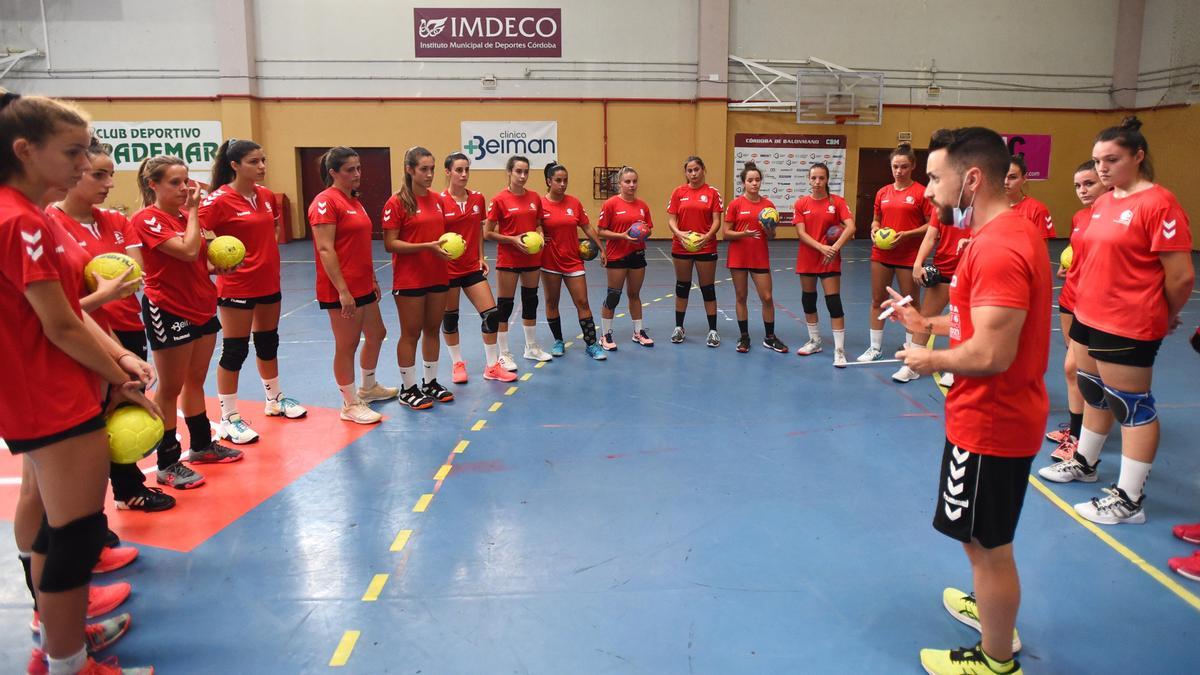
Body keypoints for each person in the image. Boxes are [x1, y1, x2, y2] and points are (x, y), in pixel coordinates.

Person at [886, 126, 1050, 675]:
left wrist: (927, 359)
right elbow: (972, 322)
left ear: (972, 178)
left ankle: (996, 660)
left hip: (993, 423)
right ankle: (989, 609)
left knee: (987, 545)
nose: (928, 190)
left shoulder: (1001, 246)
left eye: (935, 178)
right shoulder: (999, 234)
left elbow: (992, 353)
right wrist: (925, 322)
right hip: (988, 418)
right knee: (980, 540)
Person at [1, 91, 155, 675]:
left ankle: (57, 637)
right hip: (49, 396)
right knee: (77, 535)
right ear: (25, 150)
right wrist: (120, 378)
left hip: (48, 391)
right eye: (71, 151)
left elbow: (69, 306)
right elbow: (60, 324)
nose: (82, 161)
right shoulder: (21, 221)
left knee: (56, 527)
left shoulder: (36, 215)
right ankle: (68, 662)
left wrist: (117, 355)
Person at [1036, 117, 1194, 526]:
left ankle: (1129, 499)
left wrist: (1166, 314)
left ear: (1138, 156)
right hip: (1089, 314)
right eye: (1097, 161)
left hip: (1130, 320)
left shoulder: (1159, 203)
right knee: (1093, 391)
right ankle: (1085, 462)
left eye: (1112, 159)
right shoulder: (1104, 201)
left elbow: (1180, 276)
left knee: (1132, 406)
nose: (1102, 169)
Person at [46, 140, 175, 513]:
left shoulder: (115, 220)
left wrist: (109, 294)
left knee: (125, 408)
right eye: (98, 175)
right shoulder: (50, 224)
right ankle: (84, 516)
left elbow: (136, 276)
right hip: (80, 338)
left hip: (121, 328)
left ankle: (127, 488)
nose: (108, 184)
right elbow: (59, 310)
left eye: (111, 175)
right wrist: (102, 295)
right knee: (85, 428)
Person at [133, 155, 243, 489]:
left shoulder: (185, 216)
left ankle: (200, 445)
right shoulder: (148, 219)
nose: (184, 189)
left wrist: (218, 267)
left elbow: (199, 259)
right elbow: (185, 250)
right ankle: (167, 462)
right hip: (169, 308)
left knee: (195, 380)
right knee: (169, 387)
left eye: (186, 181)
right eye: (175, 183)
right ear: (153, 185)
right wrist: (195, 212)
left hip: (201, 305)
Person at [200, 138, 306, 444]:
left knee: (267, 342)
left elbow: (270, 230)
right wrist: (214, 259)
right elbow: (193, 231)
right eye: (253, 162)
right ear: (234, 166)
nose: (261, 167)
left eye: (263, 161)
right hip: (237, 284)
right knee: (235, 349)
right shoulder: (218, 200)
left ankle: (274, 399)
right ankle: (228, 417)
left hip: (268, 281)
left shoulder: (267, 196)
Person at [308, 146, 396, 423]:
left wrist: (370, 279)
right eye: (350, 170)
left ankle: (368, 387)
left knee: (377, 333)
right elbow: (325, 249)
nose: (357, 174)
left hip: (362, 285)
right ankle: (349, 403)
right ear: (333, 172)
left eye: (358, 168)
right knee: (346, 345)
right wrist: (343, 291)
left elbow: (357, 246)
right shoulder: (325, 202)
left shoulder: (353, 200)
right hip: (340, 288)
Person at [1043, 160, 1106, 461]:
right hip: (1071, 298)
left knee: (1079, 371)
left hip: (1098, 306)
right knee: (1074, 370)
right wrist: (1070, 270)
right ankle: (1076, 429)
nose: (1082, 190)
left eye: (1089, 183)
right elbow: (1080, 254)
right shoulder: (1080, 217)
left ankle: (1082, 439)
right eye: (1078, 185)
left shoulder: (1116, 217)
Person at [382, 146, 452, 410]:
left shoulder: (438, 200)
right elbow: (391, 244)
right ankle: (408, 387)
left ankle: (430, 382)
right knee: (410, 334)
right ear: (409, 169)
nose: (430, 174)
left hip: (437, 274)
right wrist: (426, 246)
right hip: (410, 279)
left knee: (433, 330)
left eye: (432, 168)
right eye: (424, 169)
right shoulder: (397, 202)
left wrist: (447, 249)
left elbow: (441, 236)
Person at [439, 152, 516, 383]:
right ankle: (457, 363)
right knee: (451, 319)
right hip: (447, 270)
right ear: (448, 172)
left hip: (472, 268)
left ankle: (492, 366)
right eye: (458, 170)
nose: (463, 174)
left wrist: (481, 256)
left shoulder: (478, 199)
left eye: (466, 170)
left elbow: (479, 232)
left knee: (492, 316)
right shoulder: (439, 201)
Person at [860, 143, 933, 370]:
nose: (898, 171)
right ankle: (875, 348)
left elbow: (932, 225)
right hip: (881, 253)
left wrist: (907, 235)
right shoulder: (883, 192)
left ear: (912, 166)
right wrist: (874, 228)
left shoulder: (921, 193)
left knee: (910, 304)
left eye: (903, 166)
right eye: (895, 167)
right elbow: (876, 218)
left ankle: (912, 348)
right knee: (876, 301)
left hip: (909, 256)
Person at [906, 175, 974, 386]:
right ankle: (912, 366)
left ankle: (955, 368)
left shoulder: (981, 207)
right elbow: (930, 236)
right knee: (926, 317)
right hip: (943, 269)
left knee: (960, 320)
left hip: (969, 271)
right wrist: (918, 262)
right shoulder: (942, 208)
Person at [485, 155, 551, 366]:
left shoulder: (534, 197)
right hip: (508, 258)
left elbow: (539, 223)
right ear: (509, 172)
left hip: (532, 257)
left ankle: (531, 347)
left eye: (525, 172)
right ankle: (504, 352)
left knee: (531, 300)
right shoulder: (499, 199)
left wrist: (540, 234)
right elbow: (488, 233)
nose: (522, 176)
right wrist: (512, 240)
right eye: (518, 172)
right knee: (505, 305)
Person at [540, 161, 608, 358]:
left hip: (573, 261)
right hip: (550, 261)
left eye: (565, 180)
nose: (562, 184)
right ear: (548, 181)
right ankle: (558, 341)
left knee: (582, 302)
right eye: (558, 180)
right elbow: (533, 225)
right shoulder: (540, 204)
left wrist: (601, 249)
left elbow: (587, 227)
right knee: (552, 302)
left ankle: (592, 344)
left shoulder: (574, 203)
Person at [791, 162, 855, 367]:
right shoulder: (801, 203)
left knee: (833, 302)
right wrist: (821, 247)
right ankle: (815, 341)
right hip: (809, 257)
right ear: (809, 180)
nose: (817, 182)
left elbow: (851, 227)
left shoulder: (837, 202)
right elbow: (801, 233)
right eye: (814, 178)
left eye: (821, 178)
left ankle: (839, 350)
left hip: (830, 258)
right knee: (808, 300)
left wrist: (834, 248)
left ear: (827, 179)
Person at [721, 161, 786, 354]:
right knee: (741, 296)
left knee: (767, 297)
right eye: (750, 180)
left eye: (757, 180)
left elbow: (772, 236)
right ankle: (744, 337)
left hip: (759, 257)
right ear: (744, 183)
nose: (754, 183)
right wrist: (744, 234)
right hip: (738, 257)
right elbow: (725, 233)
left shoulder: (768, 206)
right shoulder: (735, 205)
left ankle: (770, 337)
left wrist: (769, 230)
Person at [667, 156, 724, 346]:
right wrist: (679, 233)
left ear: (703, 170)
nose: (693, 174)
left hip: (705, 246)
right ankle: (678, 327)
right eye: (689, 170)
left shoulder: (712, 193)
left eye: (696, 169)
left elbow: (717, 220)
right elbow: (671, 220)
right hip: (681, 246)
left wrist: (707, 236)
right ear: (686, 173)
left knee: (708, 288)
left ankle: (713, 331)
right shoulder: (678, 192)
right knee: (682, 287)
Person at [597, 166, 652, 351]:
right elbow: (601, 231)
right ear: (619, 183)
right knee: (613, 296)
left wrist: (644, 232)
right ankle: (605, 335)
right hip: (616, 255)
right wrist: (623, 236)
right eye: (627, 181)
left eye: (634, 181)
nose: (632, 185)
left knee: (634, 295)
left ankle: (638, 332)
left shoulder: (643, 206)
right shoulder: (610, 204)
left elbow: (649, 228)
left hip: (637, 255)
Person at [1004, 155, 1055, 239]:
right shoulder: (988, 209)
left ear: (1024, 178)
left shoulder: (1037, 209)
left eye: (1012, 177)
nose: (1006, 182)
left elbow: (1041, 249)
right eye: (1002, 176)